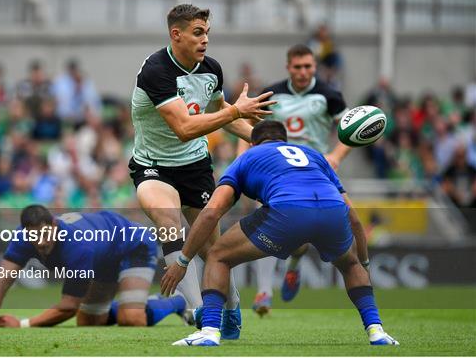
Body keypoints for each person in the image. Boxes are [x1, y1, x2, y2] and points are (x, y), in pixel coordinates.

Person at [162, 120, 399, 346]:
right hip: (332, 210)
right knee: (350, 265)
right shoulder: (313, 155)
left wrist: (183, 260)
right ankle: (376, 330)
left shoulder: (248, 157)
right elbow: (355, 219)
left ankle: (210, 331)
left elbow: (211, 213)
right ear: (284, 141)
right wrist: (364, 262)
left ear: (253, 143)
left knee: (217, 256)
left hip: (288, 212)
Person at [128, 3, 275, 339]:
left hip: (195, 166)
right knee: (168, 219)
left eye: (207, 32)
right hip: (153, 165)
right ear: (175, 34)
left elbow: (218, 113)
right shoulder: (156, 71)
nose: (205, 39)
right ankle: (197, 313)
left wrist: (262, 139)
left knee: (213, 249)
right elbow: (185, 127)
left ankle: (232, 307)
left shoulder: (212, 70)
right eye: (197, 32)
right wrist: (237, 111)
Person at [251, 44, 352, 315]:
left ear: (315, 67)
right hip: (276, 170)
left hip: (313, 171)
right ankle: (263, 292)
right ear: (288, 67)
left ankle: (294, 263)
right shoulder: (271, 94)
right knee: (264, 221)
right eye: (297, 67)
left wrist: (336, 157)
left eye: (308, 66)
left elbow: (349, 131)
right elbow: (254, 130)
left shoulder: (329, 95)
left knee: (303, 236)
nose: (303, 72)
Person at [0, 205, 186, 329]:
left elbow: (68, 306)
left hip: (133, 244)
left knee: (131, 319)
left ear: (55, 226)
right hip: (104, 255)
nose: (40, 242)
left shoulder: (77, 246)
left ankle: (177, 302)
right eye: (33, 236)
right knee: (88, 322)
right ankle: (134, 303)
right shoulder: (22, 238)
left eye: (45, 234)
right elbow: (3, 278)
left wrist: (23, 324)